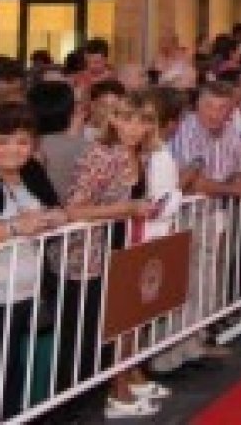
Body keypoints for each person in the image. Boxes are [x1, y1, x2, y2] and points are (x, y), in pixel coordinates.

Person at [59, 91, 170, 418]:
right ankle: (83, 404)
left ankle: (118, 388)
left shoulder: (142, 155)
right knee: (88, 335)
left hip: (123, 249)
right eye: (127, 119)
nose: (135, 128)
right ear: (114, 120)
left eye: (143, 121)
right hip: (89, 255)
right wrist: (126, 209)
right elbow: (74, 209)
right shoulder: (101, 154)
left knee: (123, 323)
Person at [0, 102, 66, 424]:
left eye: (22, 141)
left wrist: (51, 218)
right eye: (3, 140)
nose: (12, 149)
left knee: (11, 375)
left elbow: (54, 208)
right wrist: (14, 227)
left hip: (27, 293)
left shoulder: (32, 171)